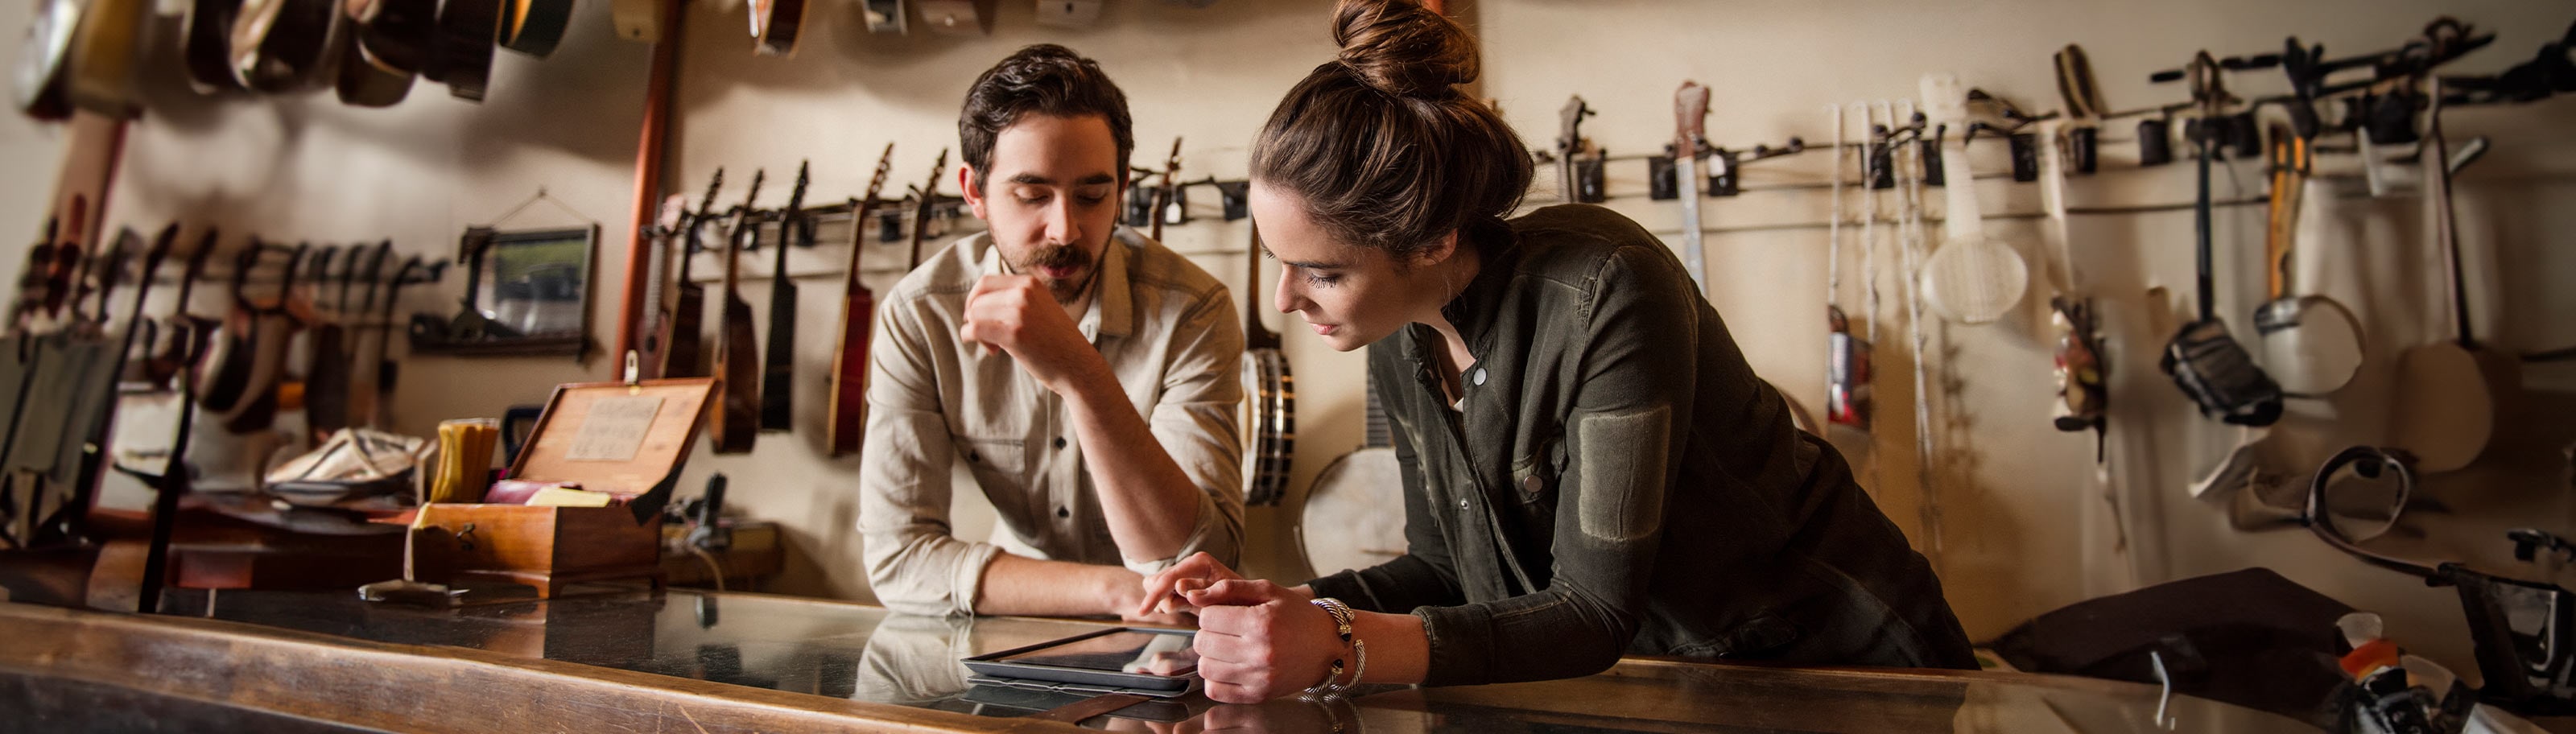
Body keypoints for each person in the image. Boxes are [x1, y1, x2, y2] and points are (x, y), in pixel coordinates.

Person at [1139, 0, 1977, 703]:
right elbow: (1443, 566)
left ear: (1431, 239)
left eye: (1318, 272)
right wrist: (1284, 606)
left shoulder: (1607, 288)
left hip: (1839, 666)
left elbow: (1589, 612)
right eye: (1281, 265)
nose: (1286, 299)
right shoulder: (1397, 335)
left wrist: (1336, 644)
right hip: (1672, 680)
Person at [859, 44, 1246, 621]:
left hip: (1175, 643)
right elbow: (899, 558)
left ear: (1121, 188)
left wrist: (1082, 376)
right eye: (1032, 194)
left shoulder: (1193, 310)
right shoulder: (919, 315)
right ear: (974, 193)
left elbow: (1200, 560)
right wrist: (1114, 592)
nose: (1065, 229)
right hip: (1017, 623)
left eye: (1093, 196)